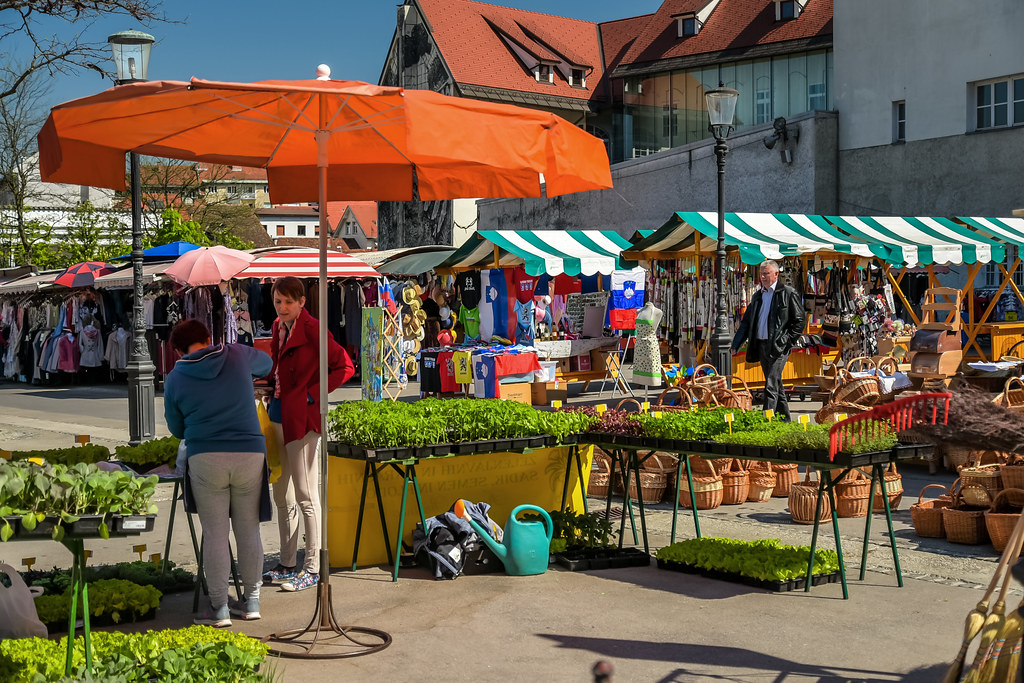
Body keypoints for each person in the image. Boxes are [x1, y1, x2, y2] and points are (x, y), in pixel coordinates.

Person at [163, 318, 273, 627]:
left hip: (206, 456)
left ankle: (220, 607)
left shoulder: (176, 376)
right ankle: (252, 601)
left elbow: (176, 428)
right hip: (250, 453)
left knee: (215, 533)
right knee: (249, 530)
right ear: (208, 337)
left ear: (178, 350)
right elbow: (266, 364)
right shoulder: (237, 354)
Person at [262, 276, 355, 592]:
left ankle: (313, 567)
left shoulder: (314, 329)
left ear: (302, 302)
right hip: (277, 415)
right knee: (282, 494)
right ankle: (287, 563)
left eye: (289, 302)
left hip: (302, 419)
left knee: (305, 494)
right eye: (278, 301)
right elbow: (278, 368)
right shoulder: (278, 327)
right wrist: (266, 385)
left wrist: (312, 395)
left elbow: (345, 367)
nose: (282, 307)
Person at [731, 260, 806, 421]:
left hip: (779, 346)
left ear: (776, 274)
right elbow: (747, 322)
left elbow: (799, 321)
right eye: (761, 274)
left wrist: (786, 341)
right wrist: (736, 344)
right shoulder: (758, 296)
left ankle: (766, 421)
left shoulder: (788, 293)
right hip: (762, 345)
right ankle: (785, 420)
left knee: (771, 384)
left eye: (766, 273)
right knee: (775, 384)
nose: (763, 277)